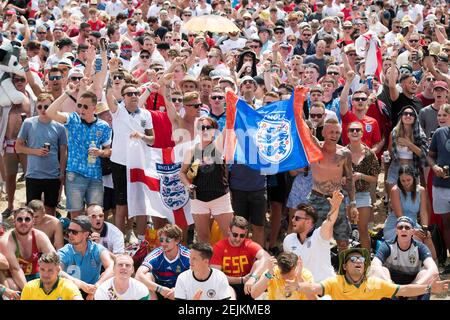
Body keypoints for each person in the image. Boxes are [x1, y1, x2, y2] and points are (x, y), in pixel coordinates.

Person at [46, 90, 112, 218]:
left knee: (95, 214)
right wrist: (66, 93)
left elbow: (108, 151)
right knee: (76, 215)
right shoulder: (72, 119)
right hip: (74, 174)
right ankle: (76, 237)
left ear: (94, 107)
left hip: (95, 175)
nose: (81, 109)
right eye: (79, 105)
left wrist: (100, 152)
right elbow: (50, 112)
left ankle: (92, 238)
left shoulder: (103, 126)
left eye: (85, 106)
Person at [295, 247, 450, 300]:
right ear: (344, 266)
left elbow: (404, 290)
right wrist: (298, 285)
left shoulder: (374, 284)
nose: (358, 261)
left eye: (361, 259)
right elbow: (314, 288)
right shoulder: (335, 282)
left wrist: (429, 289)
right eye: (353, 259)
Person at [105, 83, 154, 239]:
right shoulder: (117, 111)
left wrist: (142, 137)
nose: (134, 96)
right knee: (121, 205)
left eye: (136, 93)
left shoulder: (146, 114)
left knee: (141, 204)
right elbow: (107, 94)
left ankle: (141, 241)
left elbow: (152, 140)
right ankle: (120, 240)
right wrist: (111, 72)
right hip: (119, 163)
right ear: (123, 97)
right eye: (129, 94)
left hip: (139, 163)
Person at [179, 116, 233, 243]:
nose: (204, 130)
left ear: (214, 130)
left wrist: (233, 104)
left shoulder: (218, 145)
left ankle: (228, 262)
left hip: (220, 197)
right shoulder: (191, 151)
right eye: (201, 127)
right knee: (203, 238)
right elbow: (182, 173)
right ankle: (207, 263)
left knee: (229, 235)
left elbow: (228, 126)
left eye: (208, 127)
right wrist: (188, 185)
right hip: (199, 198)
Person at [308, 118, 358, 251]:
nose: (334, 135)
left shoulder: (344, 154)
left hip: (337, 199)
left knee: (343, 241)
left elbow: (349, 179)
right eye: (331, 132)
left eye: (337, 132)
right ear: (323, 132)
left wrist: (353, 204)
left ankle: (344, 270)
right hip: (316, 198)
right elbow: (303, 130)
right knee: (314, 240)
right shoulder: (314, 148)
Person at [15, 93, 67, 216]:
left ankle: (50, 235)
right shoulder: (28, 123)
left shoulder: (60, 127)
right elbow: (18, 147)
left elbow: (63, 151)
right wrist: (35, 151)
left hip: (52, 175)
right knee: (32, 212)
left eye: (46, 107)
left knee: (50, 209)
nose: (43, 110)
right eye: (40, 107)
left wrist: (62, 171)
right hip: (34, 174)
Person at [370, 216, 439, 299]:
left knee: (425, 273)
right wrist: (392, 286)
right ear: (396, 231)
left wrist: (412, 288)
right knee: (381, 271)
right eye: (400, 227)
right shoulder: (387, 245)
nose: (403, 230)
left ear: (413, 231)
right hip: (392, 285)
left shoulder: (420, 247)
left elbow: (433, 269)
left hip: (414, 284)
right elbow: (374, 265)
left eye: (407, 227)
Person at [283, 191, 343, 283]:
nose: (293, 220)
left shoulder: (319, 235)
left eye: (297, 218)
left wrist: (335, 207)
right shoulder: (288, 240)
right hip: (303, 289)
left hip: (325, 287)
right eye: (293, 217)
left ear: (308, 221)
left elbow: (329, 221)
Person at [210, 216, 269, 300]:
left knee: (259, 263)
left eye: (242, 236)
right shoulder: (219, 247)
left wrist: (253, 277)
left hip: (249, 284)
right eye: (235, 235)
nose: (238, 239)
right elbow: (216, 276)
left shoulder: (248, 244)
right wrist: (241, 280)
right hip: (229, 285)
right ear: (229, 231)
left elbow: (267, 258)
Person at [57, 216, 114, 299]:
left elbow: (112, 267)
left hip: (93, 290)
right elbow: (57, 270)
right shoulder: (65, 251)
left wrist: (97, 286)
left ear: (86, 234)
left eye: (74, 232)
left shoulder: (97, 249)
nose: (70, 234)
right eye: (69, 231)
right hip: (70, 291)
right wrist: (81, 285)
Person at [2, 207, 55, 291]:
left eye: (27, 219)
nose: (23, 222)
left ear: (33, 221)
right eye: (19, 219)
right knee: (12, 286)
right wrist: (29, 293)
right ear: (14, 222)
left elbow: (54, 260)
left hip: (36, 275)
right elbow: (15, 269)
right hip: (15, 278)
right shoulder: (6, 241)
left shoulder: (40, 236)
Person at [346, 122, 380, 250]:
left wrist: (360, 176)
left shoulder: (369, 154)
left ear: (362, 133)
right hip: (346, 195)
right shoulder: (342, 152)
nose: (355, 132)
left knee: (363, 230)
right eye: (352, 130)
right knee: (346, 230)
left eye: (358, 130)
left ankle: (366, 261)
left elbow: (375, 178)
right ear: (347, 133)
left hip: (363, 194)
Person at [135, 224, 190, 300]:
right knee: (147, 276)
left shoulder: (188, 256)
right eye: (161, 240)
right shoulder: (156, 255)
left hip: (180, 290)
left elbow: (198, 276)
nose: (163, 243)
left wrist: (178, 289)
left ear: (177, 240)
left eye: (167, 240)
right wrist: (160, 289)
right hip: (159, 290)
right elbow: (138, 276)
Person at [427, 104, 450, 273]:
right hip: (440, 186)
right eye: (439, 115)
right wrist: (434, 167)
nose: (441, 117)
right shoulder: (439, 133)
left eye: (445, 115)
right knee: (446, 224)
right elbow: (430, 156)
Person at [251, 252, 316, 300]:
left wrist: (300, 281)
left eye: (289, 276)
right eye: (283, 275)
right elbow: (254, 294)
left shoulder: (305, 275)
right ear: (278, 267)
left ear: (296, 267)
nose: (286, 279)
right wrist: (269, 273)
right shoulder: (273, 272)